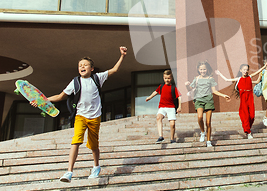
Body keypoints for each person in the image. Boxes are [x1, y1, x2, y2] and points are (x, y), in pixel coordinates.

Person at [30, 46, 127, 182]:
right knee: (76, 141)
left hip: (95, 117)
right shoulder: (75, 82)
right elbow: (60, 96)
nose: (82, 67)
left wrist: (122, 55)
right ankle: (69, 172)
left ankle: (96, 166)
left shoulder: (98, 78)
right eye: (80, 65)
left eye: (85, 65)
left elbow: (115, 70)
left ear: (91, 68)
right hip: (80, 116)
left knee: (94, 145)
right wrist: (41, 101)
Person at [185, 61, 230, 147]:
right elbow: (190, 89)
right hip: (199, 100)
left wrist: (224, 95)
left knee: (208, 122)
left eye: (204, 69)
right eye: (201, 69)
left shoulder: (210, 79)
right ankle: (202, 132)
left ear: (207, 69)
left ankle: (208, 141)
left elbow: (214, 91)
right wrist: (187, 85)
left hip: (208, 100)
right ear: (198, 70)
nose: (203, 71)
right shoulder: (196, 78)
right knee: (200, 117)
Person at [215, 64, 262, 139]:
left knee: (252, 116)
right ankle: (248, 132)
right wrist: (220, 74)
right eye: (244, 69)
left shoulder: (250, 77)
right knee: (245, 116)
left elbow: (257, 72)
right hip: (243, 100)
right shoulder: (239, 79)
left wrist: (264, 66)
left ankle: (247, 127)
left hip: (250, 99)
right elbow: (227, 80)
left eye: (247, 69)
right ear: (240, 70)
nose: (245, 71)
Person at [145, 70, 181, 144]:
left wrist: (179, 106)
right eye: (165, 78)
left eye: (168, 78)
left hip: (171, 107)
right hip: (162, 107)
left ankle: (172, 139)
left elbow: (179, 97)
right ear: (163, 78)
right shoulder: (161, 86)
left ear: (171, 78)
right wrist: (149, 97)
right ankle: (161, 137)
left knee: (172, 124)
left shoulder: (174, 87)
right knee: (158, 117)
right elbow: (155, 92)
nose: (167, 80)